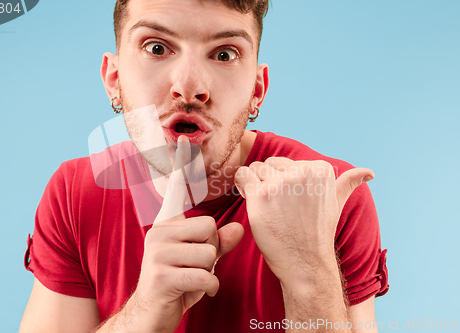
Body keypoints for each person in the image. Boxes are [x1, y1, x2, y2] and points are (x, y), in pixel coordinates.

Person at [19, 0, 389, 332]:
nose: (189, 87)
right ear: (114, 80)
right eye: (157, 48)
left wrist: (310, 273)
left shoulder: (327, 194)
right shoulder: (75, 191)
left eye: (224, 54)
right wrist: (145, 312)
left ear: (257, 90)